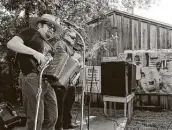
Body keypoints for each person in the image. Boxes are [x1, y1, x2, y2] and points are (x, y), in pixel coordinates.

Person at [6, 14, 62, 130]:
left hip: (45, 80)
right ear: (40, 25)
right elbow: (11, 44)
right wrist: (35, 53)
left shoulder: (49, 43)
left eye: (53, 28)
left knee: (52, 117)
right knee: (36, 118)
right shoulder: (31, 32)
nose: (52, 29)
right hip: (31, 77)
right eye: (49, 26)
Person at [49, 28, 80, 130]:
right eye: (72, 37)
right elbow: (60, 57)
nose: (74, 40)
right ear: (65, 35)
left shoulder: (71, 47)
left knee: (69, 103)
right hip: (60, 80)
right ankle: (59, 126)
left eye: (75, 38)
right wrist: (75, 57)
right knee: (60, 104)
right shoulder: (60, 44)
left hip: (70, 81)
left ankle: (67, 123)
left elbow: (74, 62)